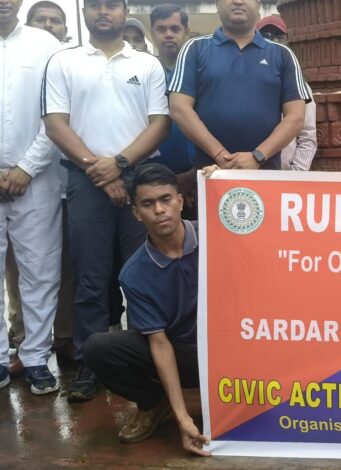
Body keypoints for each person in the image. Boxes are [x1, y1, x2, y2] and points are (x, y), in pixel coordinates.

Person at [43, 0, 170, 402]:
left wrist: (119, 164)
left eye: (111, 5)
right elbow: (55, 123)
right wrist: (99, 169)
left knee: (144, 274)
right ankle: (90, 362)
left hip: (139, 179)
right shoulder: (64, 61)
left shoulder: (146, 64)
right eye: (95, 5)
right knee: (91, 276)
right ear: (84, 12)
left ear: (124, 10)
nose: (103, 11)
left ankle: (143, 359)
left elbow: (160, 123)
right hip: (85, 179)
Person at [83, 163, 207, 455]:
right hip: (182, 354)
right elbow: (160, 344)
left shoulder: (215, 234)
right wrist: (183, 418)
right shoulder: (134, 273)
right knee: (97, 348)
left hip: (229, 347)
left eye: (166, 199)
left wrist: (223, 178)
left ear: (180, 201)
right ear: (137, 213)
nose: (159, 210)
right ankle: (154, 403)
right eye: (148, 204)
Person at [0, 0, 62, 394]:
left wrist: (27, 166)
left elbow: (57, 112)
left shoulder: (44, 45)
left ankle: (37, 356)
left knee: (40, 270)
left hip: (36, 177)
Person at [169, 0, 310, 173]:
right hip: (211, 173)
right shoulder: (194, 49)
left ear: (258, 5)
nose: (238, 1)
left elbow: (296, 118)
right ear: (217, 4)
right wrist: (220, 154)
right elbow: (179, 109)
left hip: (265, 173)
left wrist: (257, 156)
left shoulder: (283, 55)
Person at [149, 4, 196, 214]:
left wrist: (194, 174)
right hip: (151, 180)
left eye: (175, 29)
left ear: (186, 31)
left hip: (196, 177)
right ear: (152, 32)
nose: (168, 34)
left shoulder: (201, 73)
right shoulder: (143, 74)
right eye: (161, 29)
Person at [257, 15, 317, 171]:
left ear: (287, 41)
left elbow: (307, 138)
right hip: (247, 171)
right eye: (266, 35)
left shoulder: (300, 86)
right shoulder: (245, 81)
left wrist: (295, 174)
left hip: (284, 175)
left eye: (280, 36)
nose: (274, 41)